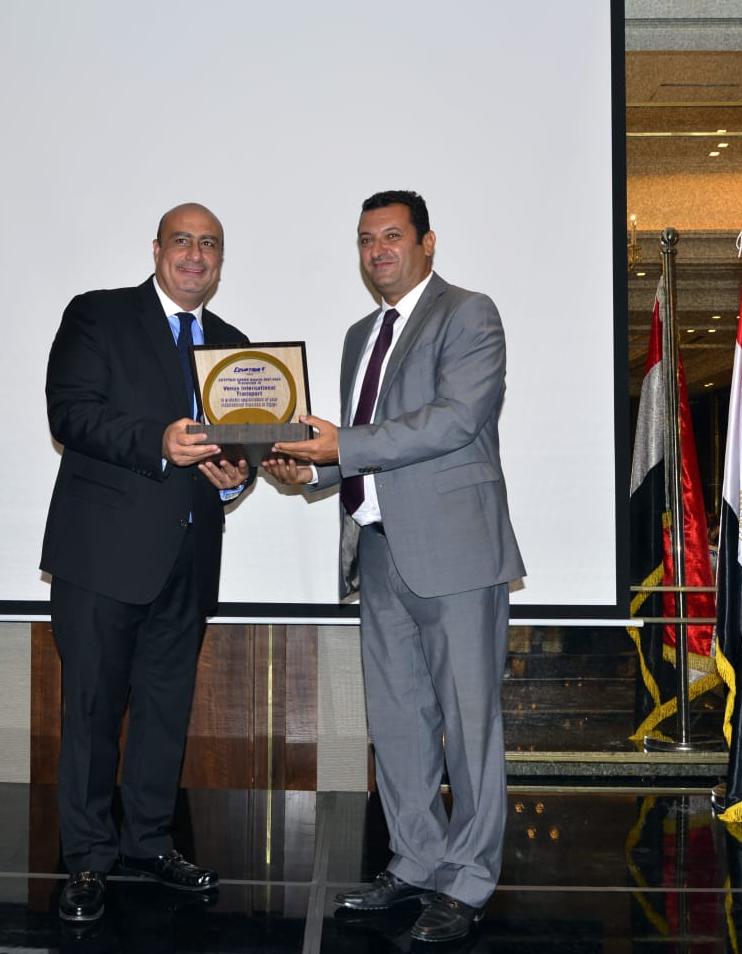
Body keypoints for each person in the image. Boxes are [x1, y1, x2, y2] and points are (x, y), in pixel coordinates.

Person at [264, 190, 524, 945]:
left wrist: (339, 446)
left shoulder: (468, 313)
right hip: (378, 551)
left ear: (426, 243)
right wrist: (309, 468)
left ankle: (468, 879)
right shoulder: (360, 335)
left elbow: (455, 420)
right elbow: (366, 443)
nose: (377, 251)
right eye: (365, 240)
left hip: (457, 552)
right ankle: (416, 860)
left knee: (469, 725)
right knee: (399, 721)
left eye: (391, 236)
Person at [41, 202, 251, 927]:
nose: (196, 254)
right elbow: (71, 413)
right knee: (92, 714)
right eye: (182, 241)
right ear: (157, 249)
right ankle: (86, 859)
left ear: (220, 261)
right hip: (102, 556)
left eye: (209, 244)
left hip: (188, 559)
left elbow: (238, 448)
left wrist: (237, 474)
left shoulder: (234, 347)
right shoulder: (98, 315)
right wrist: (159, 441)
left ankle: (151, 843)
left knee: (165, 713)